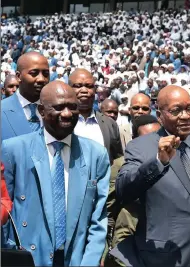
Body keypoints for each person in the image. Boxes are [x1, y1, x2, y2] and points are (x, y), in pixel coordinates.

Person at [113, 85, 190, 266]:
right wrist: (158, 162)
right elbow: (123, 191)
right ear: (160, 116)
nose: (186, 116)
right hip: (163, 259)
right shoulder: (140, 147)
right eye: (176, 110)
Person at [1, 81, 110, 266]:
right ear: (42, 111)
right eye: (59, 107)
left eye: (72, 107)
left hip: (76, 259)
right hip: (29, 257)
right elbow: (5, 210)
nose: (67, 114)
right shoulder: (14, 150)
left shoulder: (95, 154)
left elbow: (98, 219)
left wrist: (89, 261)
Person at [104, 115, 161, 267]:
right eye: (146, 138)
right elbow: (109, 208)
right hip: (130, 239)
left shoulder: (170, 160)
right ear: (135, 139)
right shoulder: (121, 165)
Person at [69, 68, 123, 162]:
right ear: (68, 89)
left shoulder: (110, 124)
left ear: (95, 90)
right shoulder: (58, 121)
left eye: (89, 86)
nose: (84, 90)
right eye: (78, 86)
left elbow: (117, 160)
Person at [1, 52, 50, 141]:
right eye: (34, 73)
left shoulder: (57, 109)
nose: (41, 79)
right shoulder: (2, 109)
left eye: (46, 74)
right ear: (18, 76)